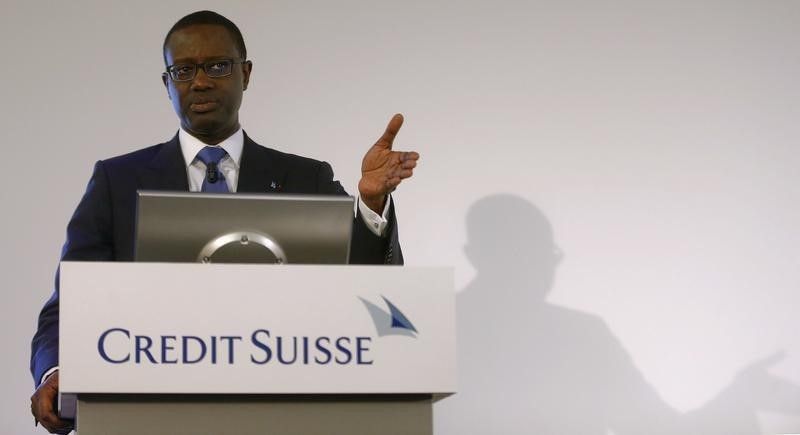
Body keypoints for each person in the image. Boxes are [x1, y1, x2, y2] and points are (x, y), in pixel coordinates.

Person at [29, 10, 419, 434]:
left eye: (217, 66)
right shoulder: (117, 181)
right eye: (183, 71)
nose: (199, 82)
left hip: (280, 414)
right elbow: (69, 303)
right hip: (150, 414)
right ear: (167, 83)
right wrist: (55, 372)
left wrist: (371, 202)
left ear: (245, 74)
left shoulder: (305, 178)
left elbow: (364, 287)